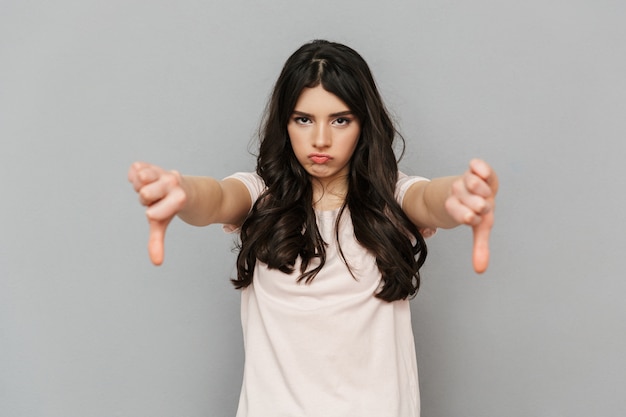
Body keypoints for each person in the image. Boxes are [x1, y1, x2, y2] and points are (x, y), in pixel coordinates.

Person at [128, 40, 498, 417]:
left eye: (340, 120)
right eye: (303, 119)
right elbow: (218, 198)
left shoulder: (392, 200)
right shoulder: (261, 197)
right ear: (284, 122)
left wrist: (460, 194)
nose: (320, 139)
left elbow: (429, 199)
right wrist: (183, 192)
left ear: (363, 124)